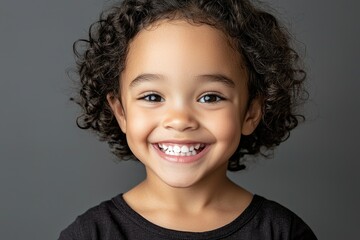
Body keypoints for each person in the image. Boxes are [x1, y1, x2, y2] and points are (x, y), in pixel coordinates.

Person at [59, 0, 317, 239]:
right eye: (152, 96)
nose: (180, 120)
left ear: (251, 111)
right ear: (121, 112)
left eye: (210, 98)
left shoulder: (283, 233)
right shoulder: (90, 234)